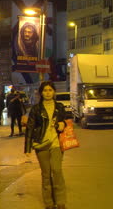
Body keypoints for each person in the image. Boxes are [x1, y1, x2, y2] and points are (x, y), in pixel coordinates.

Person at [24, 81, 67, 209]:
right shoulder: (36, 109)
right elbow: (30, 128)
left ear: (54, 92)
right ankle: (49, 203)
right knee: (46, 174)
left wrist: (62, 124)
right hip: (41, 144)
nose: (47, 92)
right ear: (41, 93)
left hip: (56, 144)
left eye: (50, 90)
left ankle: (60, 202)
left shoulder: (59, 106)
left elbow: (64, 121)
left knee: (57, 171)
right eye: (45, 90)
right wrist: (27, 148)